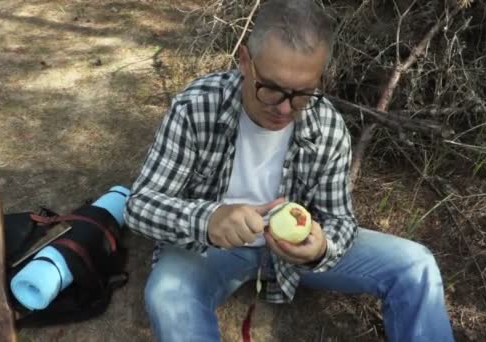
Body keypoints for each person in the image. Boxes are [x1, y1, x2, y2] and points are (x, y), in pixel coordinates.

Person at [124, 0, 454, 341]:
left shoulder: (327, 127)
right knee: (168, 293)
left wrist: (322, 247)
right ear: (244, 61)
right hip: (211, 250)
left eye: (302, 93)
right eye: (271, 88)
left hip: (291, 252)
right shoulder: (196, 107)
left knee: (416, 265)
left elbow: (340, 219)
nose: (284, 109)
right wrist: (208, 219)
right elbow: (140, 205)